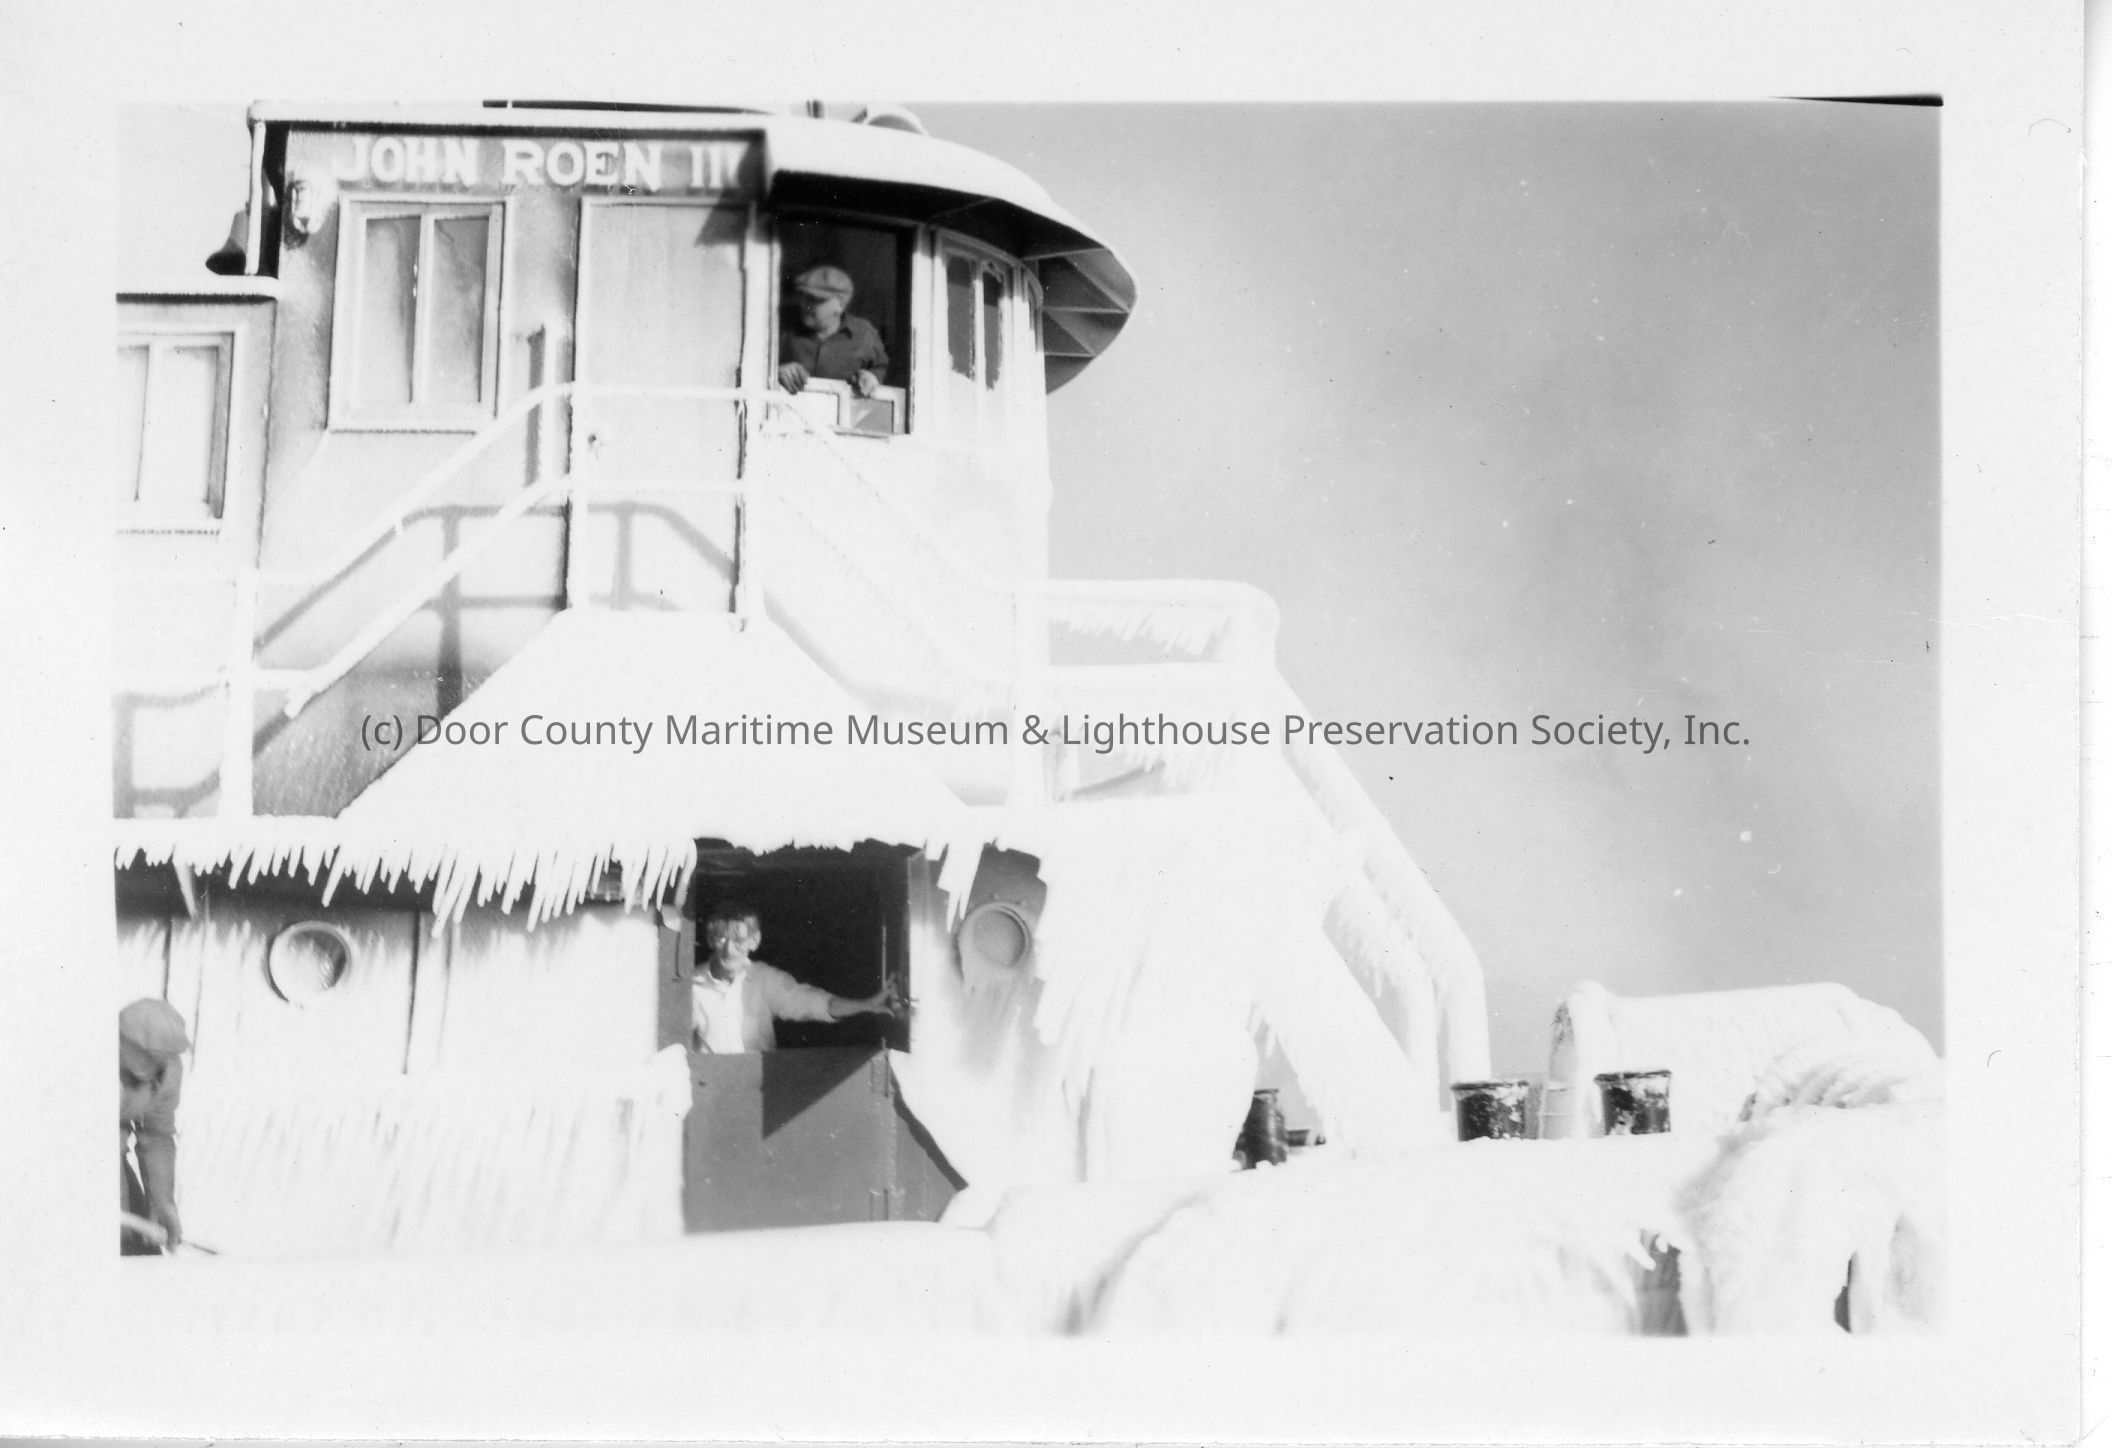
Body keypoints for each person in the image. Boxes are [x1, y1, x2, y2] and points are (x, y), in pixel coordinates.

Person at [690, 901, 900, 1053]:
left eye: (738, 940)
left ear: (754, 941)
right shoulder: (691, 984)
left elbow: (811, 1003)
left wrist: (864, 1005)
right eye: (721, 938)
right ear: (710, 939)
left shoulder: (765, 978)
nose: (729, 948)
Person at [119, 997, 189, 1254]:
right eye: (151, 1056)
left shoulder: (167, 1072)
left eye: (165, 1058)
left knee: (141, 1251)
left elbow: (157, 1136)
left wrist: (162, 1203)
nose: (160, 1067)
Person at [776, 265, 888, 400]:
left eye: (816, 300)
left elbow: (880, 368)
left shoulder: (864, 333)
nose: (806, 305)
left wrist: (872, 377)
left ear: (840, 305)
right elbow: (756, 366)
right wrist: (776, 371)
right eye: (804, 297)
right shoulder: (780, 325)